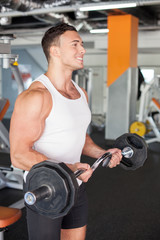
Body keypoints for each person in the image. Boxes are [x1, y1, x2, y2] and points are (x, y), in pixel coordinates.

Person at [9, 23, 122, 240]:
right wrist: (68, 168)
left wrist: (101, 154)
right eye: (75, 44)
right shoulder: (37, 96)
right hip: (45, 188)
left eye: (81, 44)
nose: (83, 49)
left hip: (76, 185)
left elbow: (80, 136)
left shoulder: (80, 93)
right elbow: (19, 155)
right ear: (55, 51)